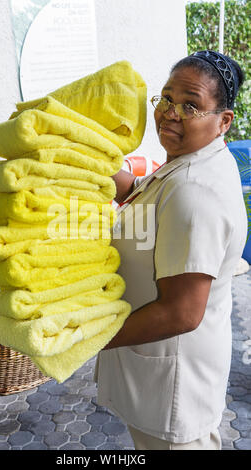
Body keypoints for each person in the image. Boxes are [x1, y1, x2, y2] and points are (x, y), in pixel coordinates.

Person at [94, 50, 248, 450]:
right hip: (158, 373)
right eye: (166, 98)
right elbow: (142, 196)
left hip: (172, 387)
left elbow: (181, 311)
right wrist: (91, 162)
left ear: (224, 121)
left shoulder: (196, 191)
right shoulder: (190, 160)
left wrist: (89, 337)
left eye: (190, 105)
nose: (169, 113)